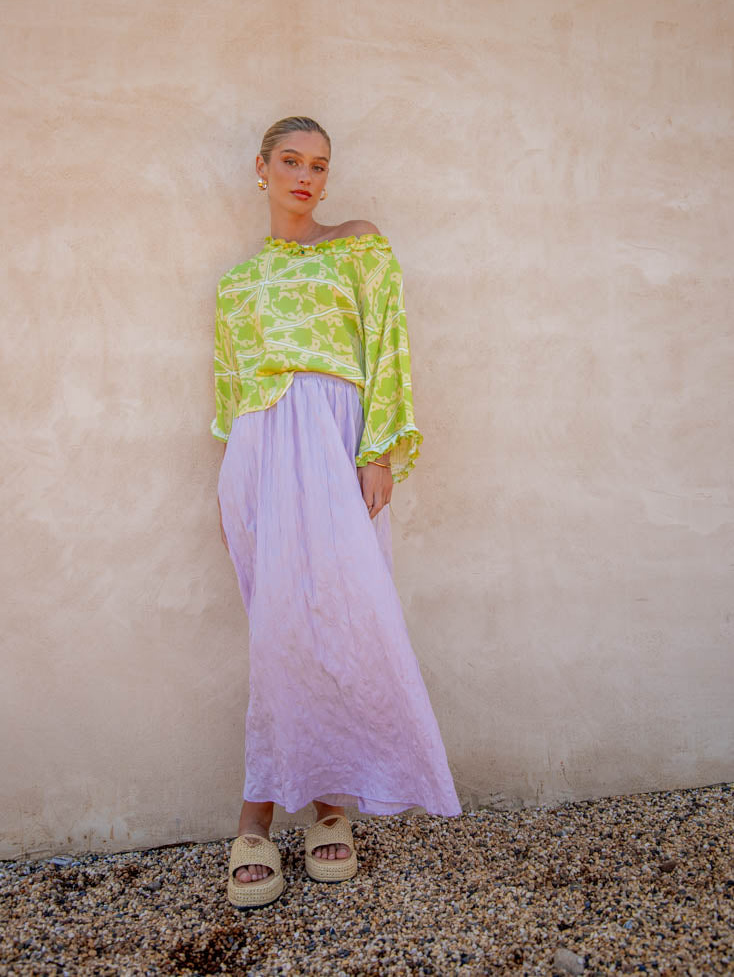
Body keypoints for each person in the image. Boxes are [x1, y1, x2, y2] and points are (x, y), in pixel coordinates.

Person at [212, 116, 460, 909]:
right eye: (290, 161)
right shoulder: (236, 284)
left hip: (335, 441)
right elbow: (230, 397)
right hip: (258, 454)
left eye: (319, 165)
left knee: (343, 621)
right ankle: (276, 812)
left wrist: (377, 447)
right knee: (279, 630)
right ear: (261, 168)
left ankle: (319, 802)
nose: (305, 177)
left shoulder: (358, 244)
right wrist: (236, 478)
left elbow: (389, 346)